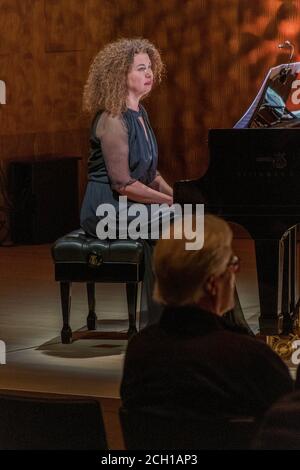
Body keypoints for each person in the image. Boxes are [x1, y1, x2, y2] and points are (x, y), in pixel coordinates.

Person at [120, 214, 293, 419]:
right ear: (212, 284)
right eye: (232, 263)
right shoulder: (251, 357)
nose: (235, 272)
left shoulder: (139, 351)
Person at [80, 38, 175, 327]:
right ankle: (164, 322)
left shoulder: (141, 114)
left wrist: (182, 195)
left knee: (195, 220)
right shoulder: (112, 119)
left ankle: (188, 316)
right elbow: (123, 184)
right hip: (105, 209)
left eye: (150, 68)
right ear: (121, 75)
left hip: (129, 206)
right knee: (175, 222)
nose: (149, 74)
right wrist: (171, 203)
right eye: (141, 68)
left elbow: (151, 175)